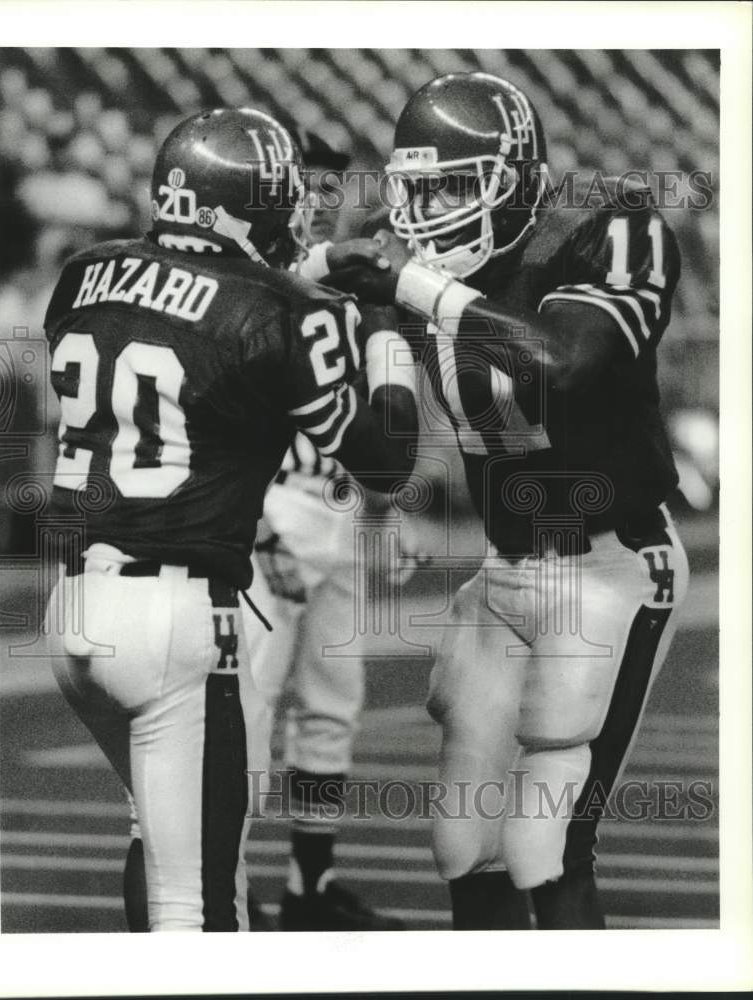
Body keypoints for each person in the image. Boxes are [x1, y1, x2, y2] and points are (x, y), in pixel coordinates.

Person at [324, 71, 689, 930]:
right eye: (418, 185)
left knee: (545, 845)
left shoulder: (609, 230)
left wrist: (413, 289)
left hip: (610, 564)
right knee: (464, 843)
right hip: (504, 567)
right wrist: (375, 492)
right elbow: (390, 441)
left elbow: (563, 362)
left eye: (452, 183)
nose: (425, 208)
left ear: (514, 177)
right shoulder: (410, 266)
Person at [42, 106, 417, 932]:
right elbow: (387, 459)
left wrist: (318, 265)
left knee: (155, 835)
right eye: (288, 196)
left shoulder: (84, 273)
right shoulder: (287, 312)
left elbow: (200, 299)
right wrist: (386, 325)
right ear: (246, 204)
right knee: (206, 901)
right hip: (177, 615)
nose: (298, 212)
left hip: (73, 612)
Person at [239, 121, 407, 931]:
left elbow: (370, 419)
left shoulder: (344, 282)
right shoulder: (246, 270)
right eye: (306, 181)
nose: (319, 197)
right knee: (246, 713)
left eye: (331, 184)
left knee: (333, 708)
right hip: (267, 510)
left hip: (336, 508)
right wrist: (251, 524)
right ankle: (217, 895)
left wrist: (383, 510)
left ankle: (310, 885)